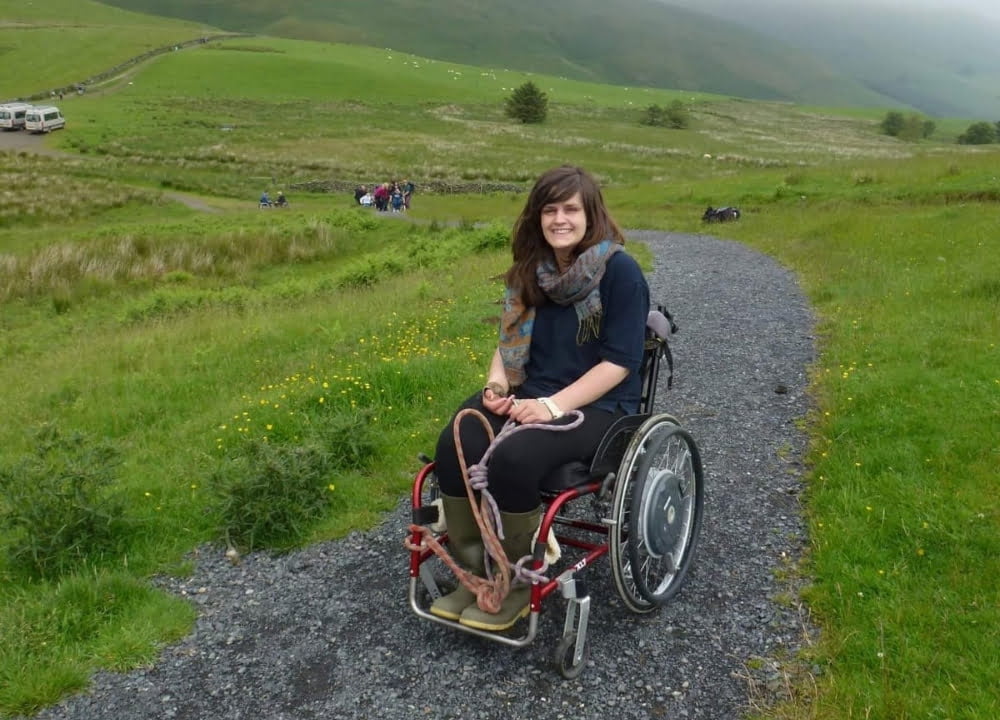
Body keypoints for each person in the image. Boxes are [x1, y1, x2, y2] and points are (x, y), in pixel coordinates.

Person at [430, 165, 650, 631]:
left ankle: (517, 579)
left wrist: (550, 408)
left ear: (591, 213)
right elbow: (508, 344)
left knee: (513, 458)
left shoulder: (620, 273)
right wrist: (497, 386)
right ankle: (476, 572)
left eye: (570, 208)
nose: (559, 219)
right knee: (454, 442)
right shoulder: (532, 270)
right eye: (549, 209)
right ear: (537, 216)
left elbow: (620, 363)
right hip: (530, 390)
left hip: (601, 408)